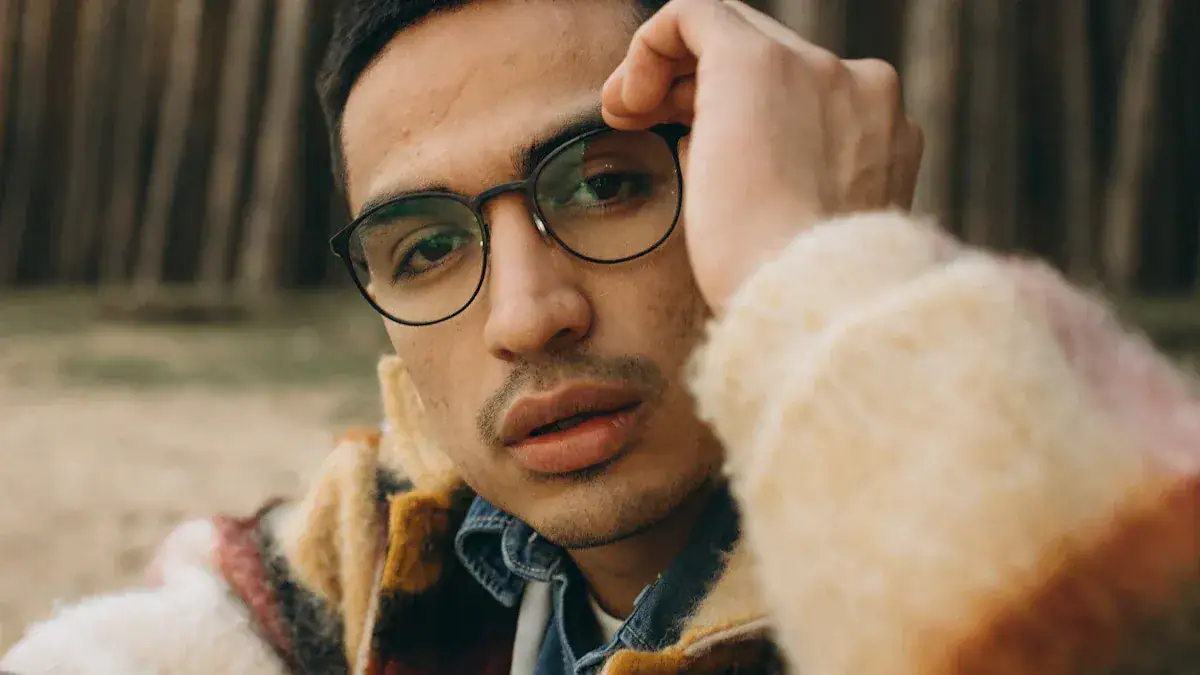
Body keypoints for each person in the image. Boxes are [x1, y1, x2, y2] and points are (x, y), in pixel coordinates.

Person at [3, 1, 1198, 674]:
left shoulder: (992, 555)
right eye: (426, 248)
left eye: (604, 186)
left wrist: (818, 273)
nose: (527, 316)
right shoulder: (377, 569)